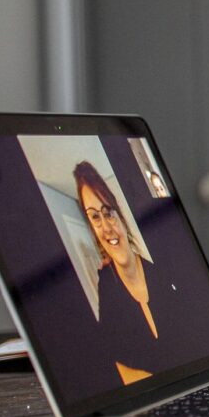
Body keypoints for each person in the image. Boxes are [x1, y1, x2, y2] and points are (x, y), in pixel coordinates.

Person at [73, 160, 181, 386]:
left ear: (120, 215)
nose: (106, 227)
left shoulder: (163, 271)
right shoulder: (106, 285)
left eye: (108, 212)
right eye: (95, 217)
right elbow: (113, 362)